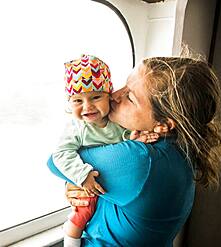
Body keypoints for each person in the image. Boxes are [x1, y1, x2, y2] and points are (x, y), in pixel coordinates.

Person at [47, 55, 221, 246]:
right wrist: (75, 183)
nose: (115, 95)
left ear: (163, 124)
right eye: (124, 85)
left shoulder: (141, 159)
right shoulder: (178, 149)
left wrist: (74, 178)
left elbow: (54, 162)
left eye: (130, 97)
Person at [52, 54, 158, 247]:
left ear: (108, 95)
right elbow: (60, 154)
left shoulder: (117, 121)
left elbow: (123, 141)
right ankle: (70, 240)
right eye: (77, 100)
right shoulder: (77, 128)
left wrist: (135, 138)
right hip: (88, 182)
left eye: (96, 97)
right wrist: (81, 175)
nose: (87, 106)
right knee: (79, 218)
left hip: (108, 184)